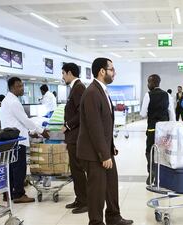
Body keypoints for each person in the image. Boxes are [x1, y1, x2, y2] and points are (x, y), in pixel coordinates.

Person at [77, 58, 133, 225]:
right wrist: (103, 155)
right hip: (93, 154)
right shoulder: (92, 92)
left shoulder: (102, 90)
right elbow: (94, 127)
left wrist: (110, 147)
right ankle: (96, 222)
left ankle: (113, 217)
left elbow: (104, 124)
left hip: (103, 150)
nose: (114, 72)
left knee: (111, 185)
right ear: (102, 71)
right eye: (111, 69)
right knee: (97, 191)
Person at [0, 77, 50, 204]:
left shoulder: (7, 100)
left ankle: (9, 193)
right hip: (17, 140)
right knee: (19, 168)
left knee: (11, 167)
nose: (22, 88)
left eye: (22, 85)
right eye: (19, 86)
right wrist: (40, 131)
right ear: (12, 87)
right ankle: (18, 194)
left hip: (10, 139)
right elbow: (25, 120)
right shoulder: (14, 102)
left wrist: (31, 133)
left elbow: (17, 122)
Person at [62, 63, 88, 214]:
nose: (62, 77)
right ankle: (80, 198)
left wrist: (68, 125)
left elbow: (81, 112)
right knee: (75, 170)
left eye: (63, 73)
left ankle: (85, 201)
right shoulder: (75, 87)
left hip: (76, 136)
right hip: (73, 136)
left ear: (70, 73)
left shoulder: (78, 88)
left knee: (77, 169)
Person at [140, 74, 176, 185]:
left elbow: (142, 114)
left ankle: (152, 172)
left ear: (152, 83)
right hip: (164, 130)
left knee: (149, 151)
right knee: (163, 152)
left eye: (148, 82)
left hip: (152, 129)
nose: (147, 84)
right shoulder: (167, 95)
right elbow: (172, 114)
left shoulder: (148, 95)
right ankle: (162, 175)